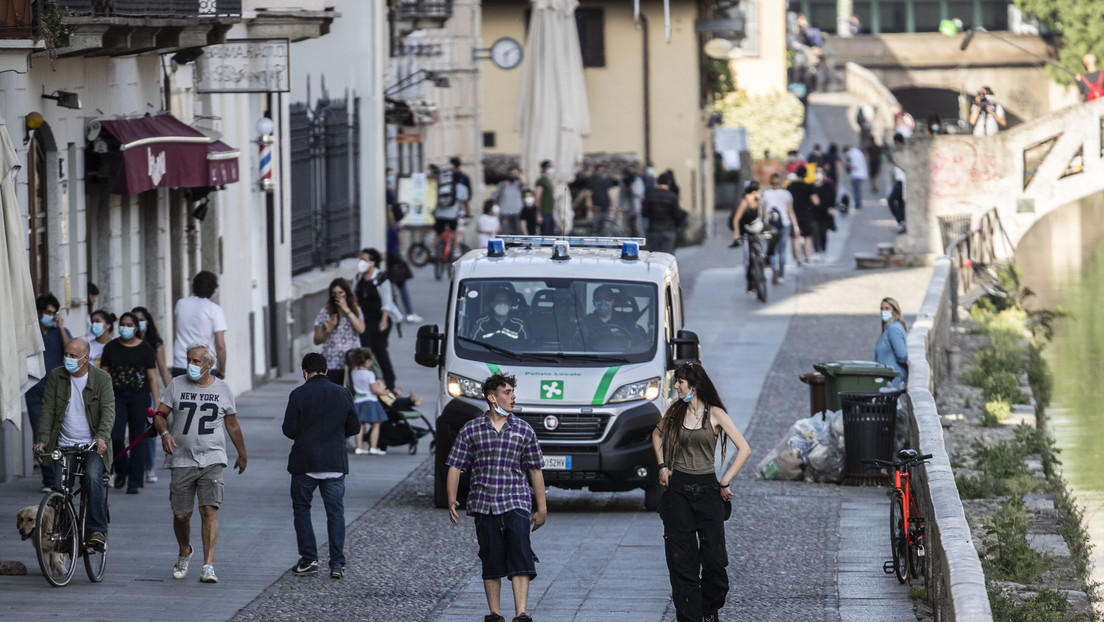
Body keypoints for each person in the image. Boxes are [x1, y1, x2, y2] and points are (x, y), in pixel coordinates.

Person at [651, 363, 751, 622]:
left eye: (680, 382)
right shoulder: (675, 411)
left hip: (707, 491)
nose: (675, 386)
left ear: (693, 386)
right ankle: (690, 617)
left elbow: (744, 449)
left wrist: (725, 481)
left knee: (715, 562)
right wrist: (662, 466)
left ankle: (709, 607)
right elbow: (656, 435)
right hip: (678, 492)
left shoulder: (715, 414)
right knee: (682, 563)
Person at [446, 373, 546, 622]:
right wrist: (451, 499)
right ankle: (495, 614)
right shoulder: (471, 429)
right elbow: (455, 465)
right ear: (492, 398)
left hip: (516, 501)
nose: (513, 397)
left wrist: (542, 508)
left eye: (513, 392)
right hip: (484, 503)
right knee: (490, 558)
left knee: (520, 554)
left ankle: (521, 614)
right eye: (507, 392)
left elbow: (535, 469)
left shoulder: (523, 429)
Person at [153, 341, 247, 584]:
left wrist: (242, 453)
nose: (191, 365)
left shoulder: (224, 389)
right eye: (189, 360)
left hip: (213, 457)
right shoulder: (176, 384)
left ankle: (208, 564)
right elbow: (160, 415)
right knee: (182, 515)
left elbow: (232, 424)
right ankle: (185, 551)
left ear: (209, 364)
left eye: (196, 361)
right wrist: (164, 433)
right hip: (181, 457)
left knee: (208, 509)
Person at [282, 352, 360, 580]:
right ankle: (337, 564)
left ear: (304, 372)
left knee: (302, 509)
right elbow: (354, 427)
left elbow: (289, 430)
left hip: (305, 462)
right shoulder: (343, 393)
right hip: (334, 462)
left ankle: (309, 560)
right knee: (335, 512)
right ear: (326, 371)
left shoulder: (298, 394)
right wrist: (335, 435)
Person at [33, 337, 114, 550]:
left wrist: (102, 437)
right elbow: (48, 410)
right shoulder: (57, 376)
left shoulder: (101, 378)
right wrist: (42, 440)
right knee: (60, 488)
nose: (67, 358)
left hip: (93, 445)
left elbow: (108, 411)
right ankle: (66, 533)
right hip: (63, 443)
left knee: (93, 477)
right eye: (66, 354)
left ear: (85, 359)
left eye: (73, 356)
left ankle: (97, 530)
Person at [100, 311, 159, 494]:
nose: (125, 328)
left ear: (136, 328)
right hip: (116, 397)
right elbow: (103, 374)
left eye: (129, 325)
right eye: (122, 324)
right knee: (115, 435)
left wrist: (157, 402)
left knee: (137, 438)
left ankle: (135, 481)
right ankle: (122, 469)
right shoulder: (110, 347)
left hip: (139, 397)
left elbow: (152, 377)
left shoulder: (145, 348)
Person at [27, 293, 73, 491]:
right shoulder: (30, 332)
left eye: (54, 313)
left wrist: (61, 327)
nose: (51, 316)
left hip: (56, 389)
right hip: (34, 388)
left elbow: (70, 350)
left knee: (59, 432)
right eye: (47, 312)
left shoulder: (59, 331)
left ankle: (61, 476)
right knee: (41, 433)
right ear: (38, 312)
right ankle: (48, 479)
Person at [134, 305, 172, 484]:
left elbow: (163, 369)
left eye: (141, 319)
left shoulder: (154, 342)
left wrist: (171, 393)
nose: (138, 323)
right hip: (130, 391)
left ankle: (149, 467)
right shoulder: (125, 342)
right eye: (135, 320)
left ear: (148, 321)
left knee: (149, 431)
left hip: (149, 392)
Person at [353, 249, 396, 389]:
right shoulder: (359, 278)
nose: (361, 263)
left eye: (365, 259)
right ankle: (369, 381)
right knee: (365, 350)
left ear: (373, 262)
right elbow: (354, 297)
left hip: (379, 321)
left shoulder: (381, 278)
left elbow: (387, 302)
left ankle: (388, 381)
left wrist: (384, 320)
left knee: (380, 350)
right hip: (364, 322)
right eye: (361, 259)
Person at [172, 271, 227, 379]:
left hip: (181, 362)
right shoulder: (214, 309)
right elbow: (220, 345)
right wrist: (223, 370)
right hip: (205, 365)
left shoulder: (180, 304)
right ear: (212, 289)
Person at [315, 277, 366, 387]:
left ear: (347, 293)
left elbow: (361, 329)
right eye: (334, 293)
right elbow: (317, 339)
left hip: (351, 361)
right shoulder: (325, 312)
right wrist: (328, 330)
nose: (337, 296)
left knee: (350, 396)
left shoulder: (356, 310)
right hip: (332, 361)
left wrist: (347, 310)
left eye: (340, 293)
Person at [346, 348, 389, 456]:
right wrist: (383, 392)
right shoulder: (370, 374)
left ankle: (359, 447)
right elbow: (373, 389)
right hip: (370, 401)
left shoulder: (354, 372)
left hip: (358, 401)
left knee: (360, 425)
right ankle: (373, 447)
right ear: (366, 361)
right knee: (375, 424)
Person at [384, 205, 420, 324]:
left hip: (386, 258)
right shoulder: (396, 227)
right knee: (402, 287)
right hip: (395, 258)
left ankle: (394, 313)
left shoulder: (384, 227)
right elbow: (400, 242)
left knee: (388, 287)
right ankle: (409, 312)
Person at [760, 174, 799, 284]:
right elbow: (790, 211)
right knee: (782, 250)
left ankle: (774, 267)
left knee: (771, 250)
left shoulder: (766, 194)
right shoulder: (787, 194)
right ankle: (781, 276)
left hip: (770, 225)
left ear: (770, 182)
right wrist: (795, 226)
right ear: (780, 182)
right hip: (784, 224)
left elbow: (763, 212)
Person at [578, 284, 645, 349]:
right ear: (594, 302)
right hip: (593, 359)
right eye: (599, 298)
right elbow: (577, 346)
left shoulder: (626, 320)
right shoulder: (586, 322)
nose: (603, 301)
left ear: (613, 301)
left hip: (623, 359)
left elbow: (640, 344)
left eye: (607, 298)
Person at [731, 181, 765, 294]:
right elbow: (736, 219)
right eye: (758, 191)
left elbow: (762, 216)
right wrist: (736, 233)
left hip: (756, 230)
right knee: (748, 258)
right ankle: (750, 283)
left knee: (760, 251)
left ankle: (761, 266)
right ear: (755, 191)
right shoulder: (744, 202)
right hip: (745, 231)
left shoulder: (759, 201)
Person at [642, 172, 683, 254]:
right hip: (668, 230)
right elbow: (677, 215)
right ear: (669, 183)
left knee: (652, 257)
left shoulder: (650, 195)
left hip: (653, 230)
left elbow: (644, 213)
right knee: (667, 257)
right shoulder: (672, 197)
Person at [788, 168, 820, 265]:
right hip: (806, 214)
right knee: (807, 237)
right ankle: (806, 257)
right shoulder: (809, 187)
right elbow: (816, 201)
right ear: (805, 175)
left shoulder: (790, 187)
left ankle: (798, 259)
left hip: (793, 215)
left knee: (795, 237)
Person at [875, 297, 909, 389]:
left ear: (895, 311)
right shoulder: (889, 328)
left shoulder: (893, 329)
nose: (883, 311)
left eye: (887, 308)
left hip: (893, 379)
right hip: (887, 378)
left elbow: (902, 355)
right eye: (881, 308)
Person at [812, 167, 837, 260]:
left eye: (820, 172)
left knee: (823, 233)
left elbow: (832, 197)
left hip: (825, 213)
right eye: (817, 172)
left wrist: (831, 207)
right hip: (814, 213)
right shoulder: (812, 186)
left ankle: (823, 250)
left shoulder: (828, 185)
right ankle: (816, 251)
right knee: (815, 233)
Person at [493, 167, 525, 235]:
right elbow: (495, 197)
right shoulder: (502, 184)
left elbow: (525, 182)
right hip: (505, 214)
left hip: (517, 213)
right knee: (505, 233)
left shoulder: (518, 184)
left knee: (518, 234)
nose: (514, 175)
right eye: (512, 173)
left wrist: (519, 175)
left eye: (515, 173)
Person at [887, 133, 907, 233]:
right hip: (899, 180)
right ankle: (902, 221)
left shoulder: (903, 152)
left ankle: (901, 220)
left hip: (902, 181)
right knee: (900, 202)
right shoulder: (898, 152)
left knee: (891, 200)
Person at [619, 163, 646, 238]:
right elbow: (621, 194)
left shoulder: (638, 180)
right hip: (626, 208)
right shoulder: (624, 181)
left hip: (636, 208)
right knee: (626, 230)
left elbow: (639, 193)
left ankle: (639, 246)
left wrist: (631, 187)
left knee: (637, 228)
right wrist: (619, 206)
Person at [587, 165, 616, 234]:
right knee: (595, 229)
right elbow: (588, 194)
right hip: (596, 208)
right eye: (599, 171)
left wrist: (614, 206)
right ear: (595, 171)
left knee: (607, 229)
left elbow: (610, 194)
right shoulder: (592, 181)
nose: (601, 173)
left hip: (606, 208)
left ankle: (607, 245)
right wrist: (590, 205)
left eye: (603, 171)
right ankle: (595, 244)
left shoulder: (607, 181)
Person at [534, 160, 557, 235]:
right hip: (543, 213)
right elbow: (537, 198)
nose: (551, 168)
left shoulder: (548, 181)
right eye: (549, 166)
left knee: (551, 235)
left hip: (550, 212)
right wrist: (538, 214)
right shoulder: (541, 181)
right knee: (546, 235)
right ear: (544, 168)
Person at [844, 144, 868, 210]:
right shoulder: (857, 152)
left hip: (856, 175)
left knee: (855, 191)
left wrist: (846, 164)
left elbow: (854, 166)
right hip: (860, 174)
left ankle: (857, 204)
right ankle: (858, 203)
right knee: (857, 190)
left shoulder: (853, 154)